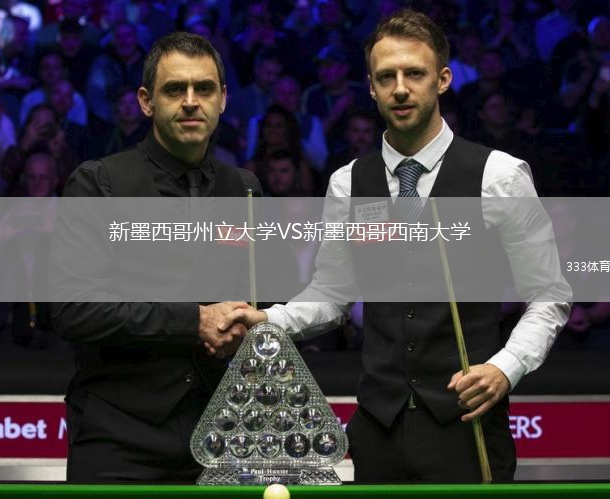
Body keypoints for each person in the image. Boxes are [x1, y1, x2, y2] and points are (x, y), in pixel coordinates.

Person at [221, 9, 571, 483]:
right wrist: (270, 319)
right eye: (386, 77)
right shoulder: (348, 182)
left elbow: (549, 293)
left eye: (415, 74)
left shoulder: (500, 176)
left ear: (442, 79)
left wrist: (504, 368)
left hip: (466, 423)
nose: (400, 88)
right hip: (378, 428)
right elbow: (332, 294)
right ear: (371, 86)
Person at [51, 32, 261, 482]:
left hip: (222, 437)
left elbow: (262, 300)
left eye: (204, 88)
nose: (191, 101)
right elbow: (73, 310)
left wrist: (247, 322)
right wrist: (194, 321)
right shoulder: (98, 183)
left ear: (223, 99)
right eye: (174, 89)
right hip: (118, 438)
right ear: (146, 102)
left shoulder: (244, 189)